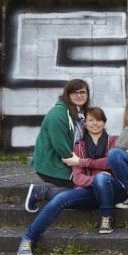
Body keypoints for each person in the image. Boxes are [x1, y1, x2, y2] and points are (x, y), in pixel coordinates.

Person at [18, 107, 123, 255]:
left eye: (98, 120)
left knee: (103, 178)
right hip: (90, 192)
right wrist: (98, 180)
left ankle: (107, 217)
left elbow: (110, 163)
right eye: (90, 120)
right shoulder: (77, 147)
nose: (95, 123)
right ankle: (28, 238)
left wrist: (83, 163)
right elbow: (78, 178)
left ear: (104, 122)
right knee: (61, 198)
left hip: (114, 190)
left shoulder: (114, 141)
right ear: (85, 123)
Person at [24, 79, 90, 214]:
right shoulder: (58, 114)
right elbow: (61, 147)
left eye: (82, 92)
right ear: (67, 94)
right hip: (54, 166)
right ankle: (41, 192)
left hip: (67, 164)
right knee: (88, 193)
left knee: (94, 187)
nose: (79, 95)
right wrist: (80, 166)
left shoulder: (78, 114)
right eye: (74, 92)